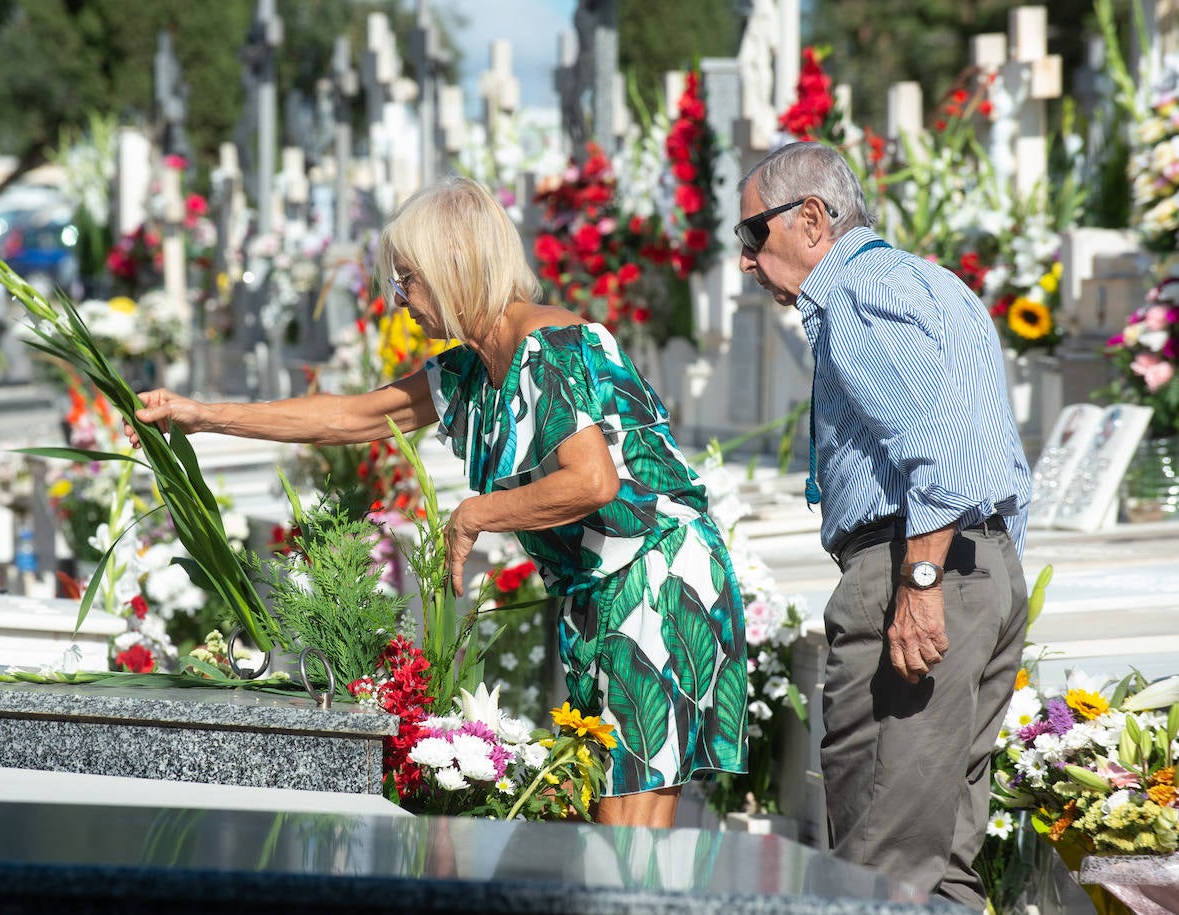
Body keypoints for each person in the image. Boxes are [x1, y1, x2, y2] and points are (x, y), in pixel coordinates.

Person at [129, 176, 749, 828]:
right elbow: (346, 417)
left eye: (408, 279)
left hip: (655, 574)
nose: (399, 300)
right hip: (600, 587)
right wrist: (202, 415)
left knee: (629, 834)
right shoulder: (469, 371)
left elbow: (593, 482)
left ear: (455, 265)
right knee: (608, 826)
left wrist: (474, 514)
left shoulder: (553, 347)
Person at [734, 142, 1031, 909]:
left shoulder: (856, 294)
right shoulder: (935, 284)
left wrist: (922, 583)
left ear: (809, 218)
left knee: (875, 866)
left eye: (751, 237)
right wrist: (982, 580)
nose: (745, 262)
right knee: (946, 868)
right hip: (983, 564)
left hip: (916, 566)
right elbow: (987, 448)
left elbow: (941, 445)